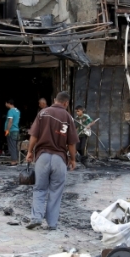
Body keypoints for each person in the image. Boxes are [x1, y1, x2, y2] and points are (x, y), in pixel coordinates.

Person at [25, 92, 78, 230]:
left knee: (39, 188)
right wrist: (72, 159)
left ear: (55, 100)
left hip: (42, 156)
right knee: (56, 191)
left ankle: (36, 217)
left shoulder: (43, 113)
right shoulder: (68, 117)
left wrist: (30, 152)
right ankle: (52, 224)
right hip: (59, 159)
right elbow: (71, 143)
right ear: (66, 103)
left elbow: (34, 136)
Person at [4, 98, 21, 163]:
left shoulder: (10, 111)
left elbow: (10, 121)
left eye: (6, 103)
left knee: (12, 146)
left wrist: (7, 130)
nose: (5, 104)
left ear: (9, 103)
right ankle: (16, 160)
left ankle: (13, 161)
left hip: (12, 130)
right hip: (16, 130)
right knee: (15, 146)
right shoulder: (18, 111)